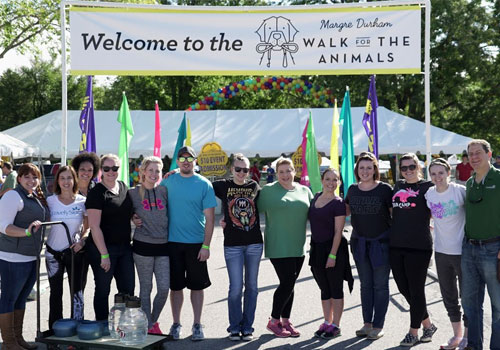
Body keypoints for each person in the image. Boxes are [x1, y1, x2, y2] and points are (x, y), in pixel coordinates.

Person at [160, 146, 216, 341]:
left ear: (195, 161)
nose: (185, 161)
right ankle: (176, 324)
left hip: (196, 244)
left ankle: (197, 324)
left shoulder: (204, 184)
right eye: (182, 158)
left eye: (189, 158)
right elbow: (152, 200)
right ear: (177, 161)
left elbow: (210, 219)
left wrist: (206, 246)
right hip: (172, 243)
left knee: (196, 286)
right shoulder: (167, 181)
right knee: (175, 287)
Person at [257, 158, 313, 338]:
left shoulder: (304, 190)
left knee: (290, 284)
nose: (285, 175)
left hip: (298, 246)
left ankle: (286, 320)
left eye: (288, 171)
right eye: (281, 172)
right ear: (276, 173)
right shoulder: (267, 191)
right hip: (278, 245)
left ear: (294, 171)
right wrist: (228, 219)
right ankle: (273, 321)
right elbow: (247, 207)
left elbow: (316, 213)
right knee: (287, 282)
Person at [213, 154, 263, 342]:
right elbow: (199, 184)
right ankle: (234, 327)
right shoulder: (222, 185)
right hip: (232, 244)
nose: (242, 173)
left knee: (252, 287)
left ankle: (247, 327)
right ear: (231, 169)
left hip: (254, 243)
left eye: (245, 170)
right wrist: (175, 173)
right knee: (235, 288)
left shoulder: (254, 187)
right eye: (238, 169)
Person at [390, 153, 437, 346]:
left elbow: (437, 210)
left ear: (418, 167)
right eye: (404, 168)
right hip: (396, 244)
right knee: (403, 288)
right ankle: (428, 324)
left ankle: (413, 331)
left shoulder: (428, 187)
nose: (408, 171)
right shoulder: (398, 186)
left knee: (416, 290)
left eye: (411, 167)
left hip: (419, 246)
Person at [0, 163, 48, 350]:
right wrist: (26, 232)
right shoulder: (13, 195)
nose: (31, 180)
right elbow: (3, 226)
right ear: (19, 178)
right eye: (26, 176)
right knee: (9, 299)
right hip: (13, 257)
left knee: (20, 299)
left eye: (35, 177)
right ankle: (9, 342)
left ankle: (18, 339)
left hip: (30, 257)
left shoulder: (34, 196)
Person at [345, 152, 392, 341]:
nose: (365, 171)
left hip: (381, 245)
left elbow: (394, 216)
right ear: (357, 170)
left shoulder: (384, 189)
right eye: (361, 167)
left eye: (369, 168)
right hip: (359, 244)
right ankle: (367, 323)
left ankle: (378, 324)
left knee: (380, 285)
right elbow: (344, 211)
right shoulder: (352, 189)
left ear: (375, 170)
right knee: (365, 285)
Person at [425, 158, 468, 350]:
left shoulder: (460, 191)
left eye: (440, 173)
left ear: (448, 173)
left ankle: (468, 337)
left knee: (467, 297)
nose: (437, 177)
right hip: (441, 252)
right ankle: (456, 336)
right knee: (449, 296)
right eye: (433, 174)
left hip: (462, 252)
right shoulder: (429, 194)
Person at [85, 154, 134, 321]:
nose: (111, 171)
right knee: (103, 290)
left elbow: (127, 212)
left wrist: (135, 218)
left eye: (115, 168)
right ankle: (102, 326)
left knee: (128, 289)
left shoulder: (123, 187)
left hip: (125, 248)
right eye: (106, 168)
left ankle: (125, 326)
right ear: (101, 171)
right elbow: (94, 226)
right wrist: (104, 255)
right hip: (103, 249)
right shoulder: (96, 193)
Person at [462, 139, 500, 350]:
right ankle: (474, 345)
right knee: (470, 304)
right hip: (469, 249)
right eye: (470, 154)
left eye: (478, 153)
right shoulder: (469, 182)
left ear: (489, 154)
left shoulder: (499, 178)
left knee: (498, 306)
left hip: (493, 250)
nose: (474, 157)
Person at [309, 168, 353, 340]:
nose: (331, 183)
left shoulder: (338, 203)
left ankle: (336, 325)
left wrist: (332, 256)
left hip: (334, 250)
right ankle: (326, 322)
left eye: (335, 180)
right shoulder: (315, 198)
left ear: (339, 183)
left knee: (335, 288)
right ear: (322, 180)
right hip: (317, 249)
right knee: (324, 288)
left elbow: (338, 232)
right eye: (328, 179)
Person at [129, 156, 169, 335]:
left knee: (163, 288)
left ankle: (152, 321)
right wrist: (131, 217)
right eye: (150, 170)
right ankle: (148, 326)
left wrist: (173, 173)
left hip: (163, 246)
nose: (154, 174)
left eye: (157, 171)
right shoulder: (132, 193)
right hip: (142, 246)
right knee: (146, 288)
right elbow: (119, 209)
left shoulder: (164, 191)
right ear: (143, 171)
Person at [46, 166, 89, 329]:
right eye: (62, 178)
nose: (66, 181)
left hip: (74, 253)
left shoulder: (82, 201)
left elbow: (88, 227)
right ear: (57, 181)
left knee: (77, 293)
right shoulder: (50, 201)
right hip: (53, 254)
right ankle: (55, 331)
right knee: (55, 294)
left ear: (74, 180)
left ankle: (77, 330)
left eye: (69, 178)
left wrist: (82, 242)